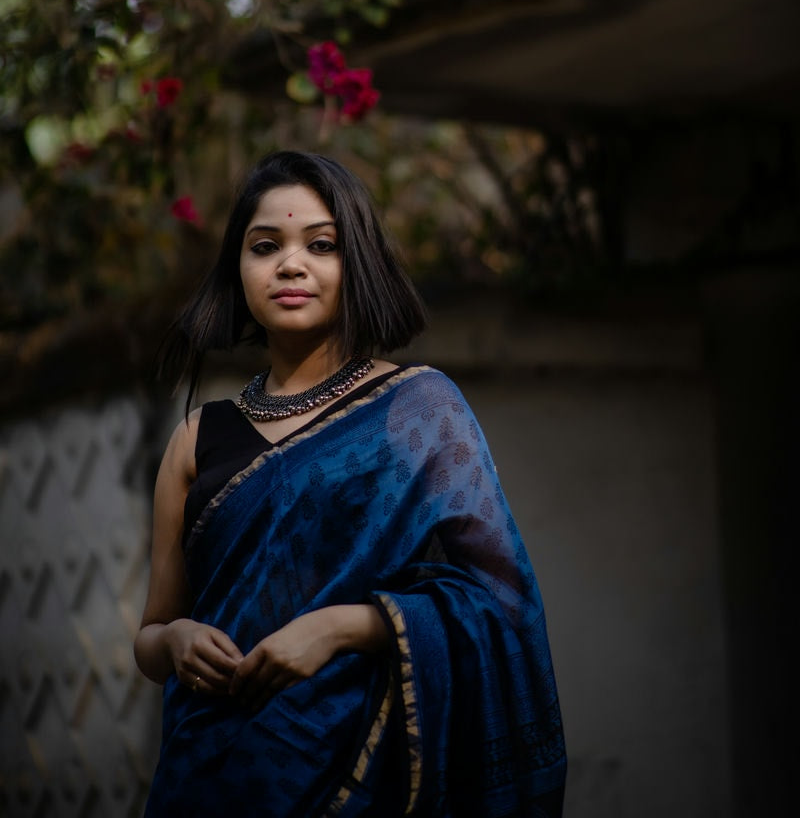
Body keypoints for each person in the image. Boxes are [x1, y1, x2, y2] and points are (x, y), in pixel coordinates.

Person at [135, 150, 566, 817]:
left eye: (322, 244)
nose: (290, 264)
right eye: (265, 246)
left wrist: (346, 626)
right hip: (208, 777)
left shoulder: (419, 411)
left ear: (355, 261)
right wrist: (176, 640)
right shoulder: (196, 438)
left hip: (358, 774)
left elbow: (499, 602)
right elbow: (152, 632)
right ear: (238, 270)